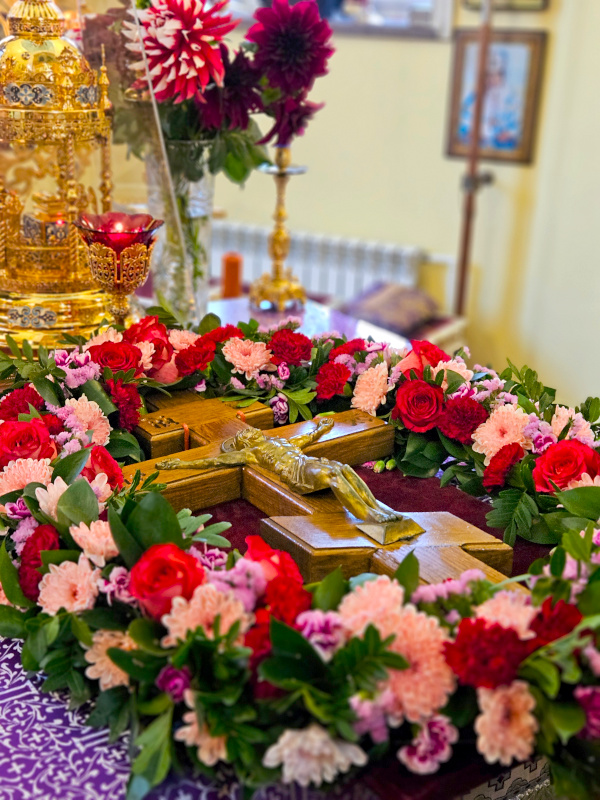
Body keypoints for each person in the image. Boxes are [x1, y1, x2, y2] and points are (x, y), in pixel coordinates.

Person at [157, 416, 420, 530]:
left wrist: (322, 428)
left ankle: (378, 509)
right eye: (245, 434)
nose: (250, 430)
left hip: (307, 462)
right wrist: (178, 464)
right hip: (297, 475)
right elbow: (213, 463)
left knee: (342, 468)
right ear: (246, 443)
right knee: (333, 476)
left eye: (249, 430)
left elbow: (307, 438)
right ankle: (368, 517)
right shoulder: (252, 453)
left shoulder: (282, 442)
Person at [459, 48, 524, 151]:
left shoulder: (512, 100)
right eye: (488, 75)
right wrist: (470, 131)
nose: (491, 79)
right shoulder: (471, 98)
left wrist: (509, 133)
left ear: (502, 76)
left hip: (500, 145)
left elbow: (518, 124)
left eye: (496, 75)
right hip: (475, 143)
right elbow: (462, 120)